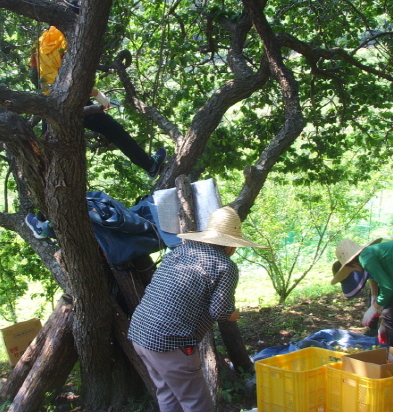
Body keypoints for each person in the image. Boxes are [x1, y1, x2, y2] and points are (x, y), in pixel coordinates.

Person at [127, 206, 266, 412]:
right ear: (231, 244)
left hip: (140, 332)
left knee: (167, 393)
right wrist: (233, 314)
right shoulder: (224, 266)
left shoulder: (182, 250)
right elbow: (220, 311)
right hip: (170, 341)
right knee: (197, 404)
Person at [29, 26, 166, 177]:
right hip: (70, 101)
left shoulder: (42, 40)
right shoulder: (72, 41)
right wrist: (101, 98)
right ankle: (150, 165)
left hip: (48, 103)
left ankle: (47, 186)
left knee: (51, 151)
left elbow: (34, 74)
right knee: (114, 130)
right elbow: (77, 81)